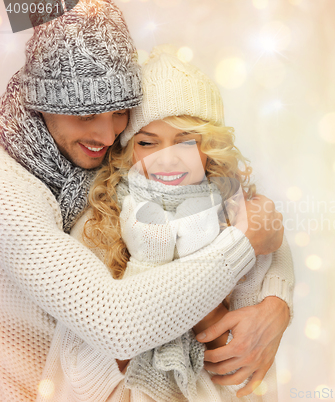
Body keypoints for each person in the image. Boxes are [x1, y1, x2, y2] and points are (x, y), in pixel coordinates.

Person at [0, 1, 292, 401]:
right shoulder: (9, 194)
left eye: (120, 112)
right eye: (86, 115)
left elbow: (261, 221)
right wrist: (243, 243)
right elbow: (115, 322)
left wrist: (274, 305)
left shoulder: (107, 159)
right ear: (41, 104)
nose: (106, 136)